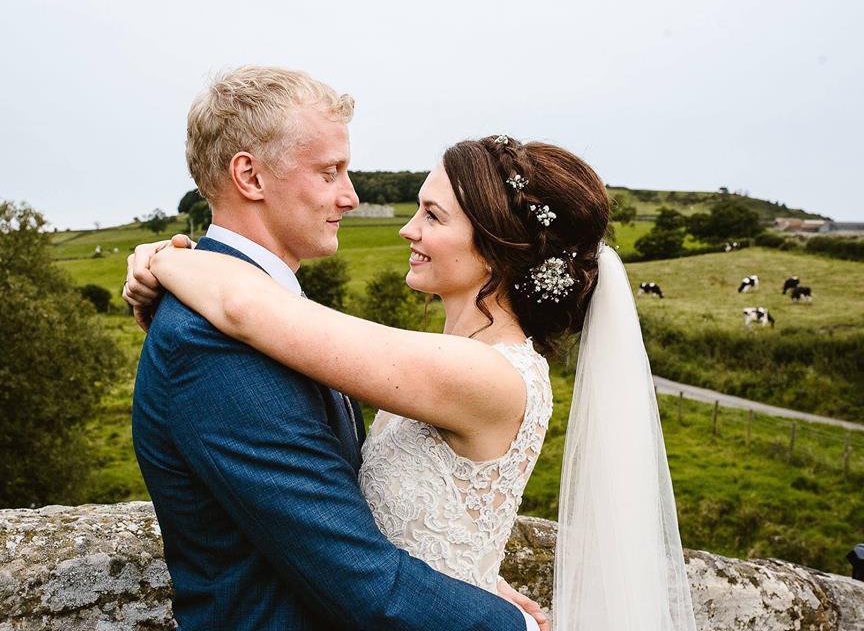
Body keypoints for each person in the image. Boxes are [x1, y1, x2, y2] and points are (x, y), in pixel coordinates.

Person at [127, 131, 699, 628]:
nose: (407, 229)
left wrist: (162, 260)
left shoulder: (481, 373)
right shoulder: (457, 359)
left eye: (433, 215)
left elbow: (246, 312)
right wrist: (472, 575)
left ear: (496, 248)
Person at [126, 66, 546, 631]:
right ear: (249, 176)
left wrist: (462, 574)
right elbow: (358, 581)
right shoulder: (211, 343)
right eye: (330, 172)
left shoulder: (274, 315)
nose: (350, 197)